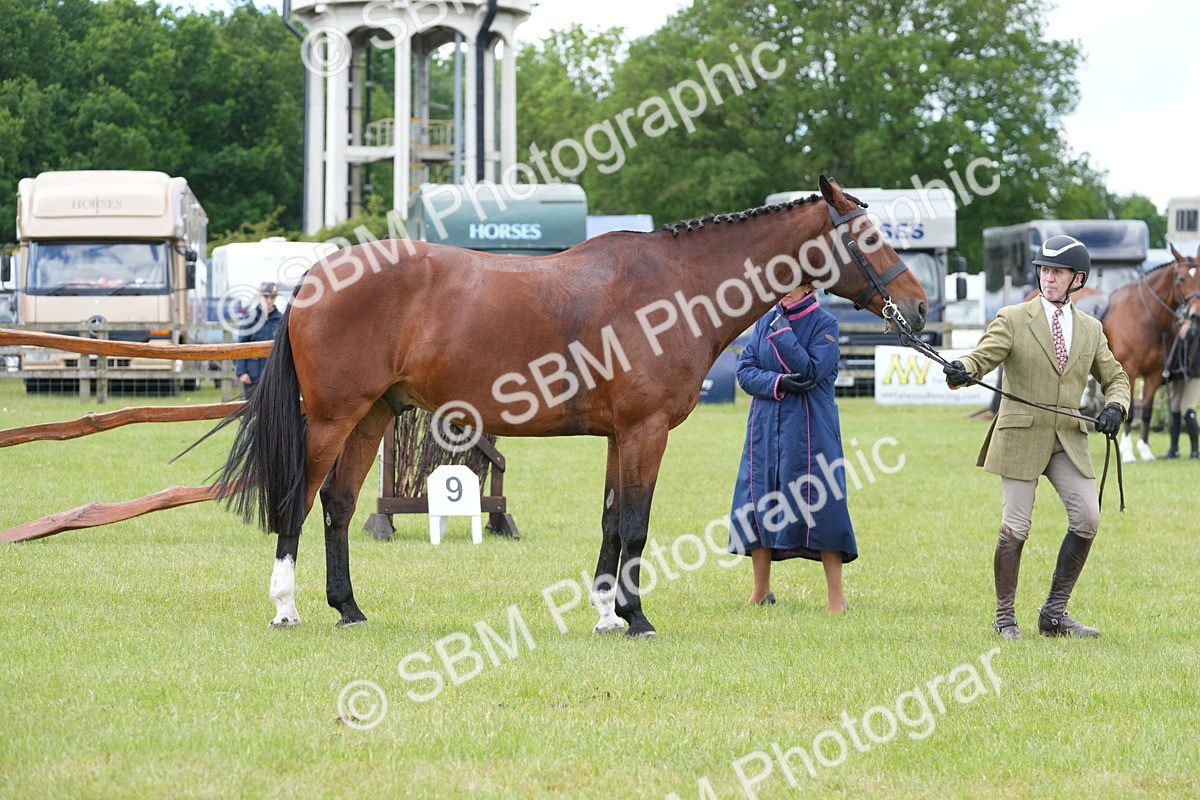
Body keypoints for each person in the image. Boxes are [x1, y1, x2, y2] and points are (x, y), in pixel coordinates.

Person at [943, 235, 1131, 639]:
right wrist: (963, 368)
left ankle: (1054, 615)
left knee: (1088, 518)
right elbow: (982, 356)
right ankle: (1005, 618)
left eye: (1058, 272)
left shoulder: (1091, 328)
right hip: (1021, 435)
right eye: (1044, 270)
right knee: (1016, 525)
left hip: (1067, 437)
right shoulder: (1013, 318)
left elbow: (1116, 377)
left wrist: (1116, 406)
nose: (1048, 278)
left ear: (1077, 279)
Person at [728, 284, 856, 614]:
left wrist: (782, 332)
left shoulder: (825, 323)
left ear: (809, 285)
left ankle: (836, 598)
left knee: (823, 504)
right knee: (758, 500)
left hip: (811, 428)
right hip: (764, 426)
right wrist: (778, 382)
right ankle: (761, 591)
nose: (783, 290)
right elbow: (745, 372)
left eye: (792, 283)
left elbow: (809, 372)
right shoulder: (765, 320)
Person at [1161, 314, 1200, 459]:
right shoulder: (1183, 315)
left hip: (1195, 373)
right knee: (1175, 406)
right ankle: (1174, 450)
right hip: (1179, 372)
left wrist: (1190, 331)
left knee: (1187, 408)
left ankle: (1195, 451)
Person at [234, 282, 282, 398]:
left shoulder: (281, 320)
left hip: (274, 374)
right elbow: (241, 345)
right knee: (251, 407)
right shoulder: (250, 319)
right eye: (266, 297)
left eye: (272, 297)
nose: (269, 300)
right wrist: (242, 372)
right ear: (260, 297)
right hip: (252, 374)